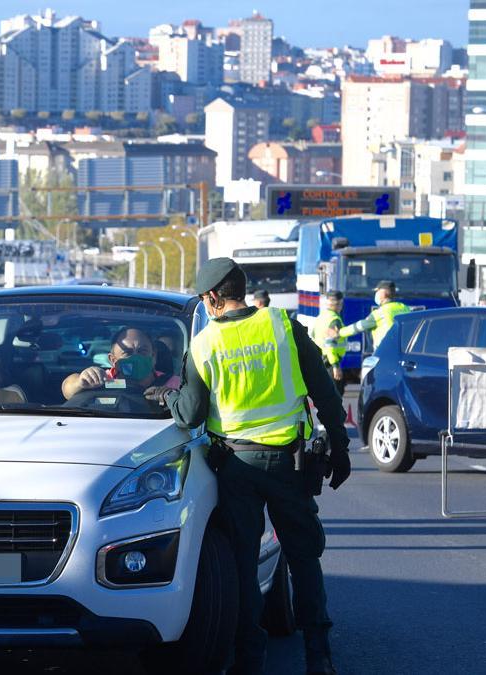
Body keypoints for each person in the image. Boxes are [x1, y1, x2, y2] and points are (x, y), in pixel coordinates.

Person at [165, 258, 351, 675]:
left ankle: (250, 660)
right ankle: (319, 656)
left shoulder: (204, 344)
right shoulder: (282, 325)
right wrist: (339, 446)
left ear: (212, 297)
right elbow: (325, 392)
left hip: (236, 469)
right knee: (304, 558)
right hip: (290, 463)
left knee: (243, 563)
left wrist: (168, 398)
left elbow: (190, 414)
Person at [61, 327, 181, 402]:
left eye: (142, 351)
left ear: (153, 355)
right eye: (127, 352)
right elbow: (67, 388)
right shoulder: (104, 380)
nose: (136, 357)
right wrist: (80, 381)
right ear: (113, 360)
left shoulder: (174, 384)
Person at [334, 279, 411, 351]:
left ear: (382, 293)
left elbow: (360, 326)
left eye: (377, 292)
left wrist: (339, 333)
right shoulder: (405, 308)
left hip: (385, 351)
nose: (376, 294)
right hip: (404, 350)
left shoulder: (380, 313)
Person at [309, 290, 348, 396]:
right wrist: (335, 366)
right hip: (330, 363)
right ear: (339, 304)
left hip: (321, 361)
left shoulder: (321, 317)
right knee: (336, 397)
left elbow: (313, 335)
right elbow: (330, 344)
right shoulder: (335, 320)